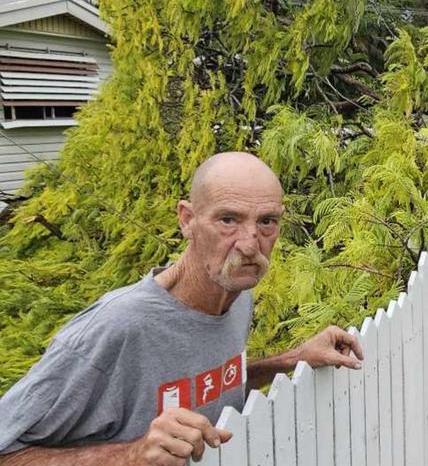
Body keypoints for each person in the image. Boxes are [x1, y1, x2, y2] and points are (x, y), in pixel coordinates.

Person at [0, 152, 364, 465]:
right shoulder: (116, 328)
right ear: (187, 219)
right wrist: (134, 455)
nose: (250, 244)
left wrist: (291, 360)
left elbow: (204, 382)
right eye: (228, 220)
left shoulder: (236, 294)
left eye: (267, 221)